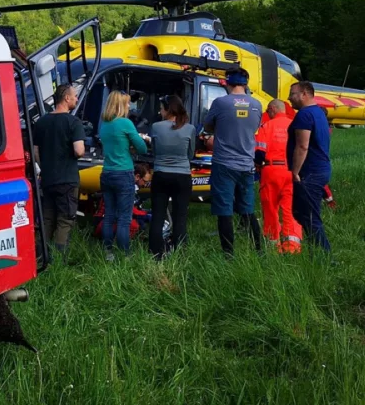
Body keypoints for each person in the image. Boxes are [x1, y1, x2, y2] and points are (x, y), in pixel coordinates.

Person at [201, 69, 264, 257]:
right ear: (246, 83)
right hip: (246, 163)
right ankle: (259, 250)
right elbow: (255, 127)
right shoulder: (257, 104)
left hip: (224, 163)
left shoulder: (221, 103)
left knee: (224, 209)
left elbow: (207, 126)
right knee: (247, 208)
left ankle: (228, 254)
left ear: (227, 83)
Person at [32, 84, 86, 259]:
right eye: (75, 96)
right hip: (67, 179)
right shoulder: (73, 122)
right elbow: (79, 150)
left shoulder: (41, 122)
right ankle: (59, 261)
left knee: (47, 218)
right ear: (67, 98)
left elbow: (35, 152)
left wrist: (47, 165)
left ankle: (41, 256)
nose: (77, 99)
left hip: (48, 179)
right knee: (65, 220)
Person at [98, 89, 148, 261]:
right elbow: (142, 148)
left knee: (109, 215)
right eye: (127, 102)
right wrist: (139, 141)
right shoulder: (126, 124)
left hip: (107, 173)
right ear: (120, 104)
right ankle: (125, 254)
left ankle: (108, 253)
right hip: (123, 172)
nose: (129, 105)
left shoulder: (105, 124)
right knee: (124, 218)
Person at [287, 81, 333, 255]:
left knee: (310, 217)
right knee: (301, 212)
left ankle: (324, 256)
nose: (289, 98)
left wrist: (295, 171)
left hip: (309, 172)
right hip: (320, 169)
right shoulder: (319, 113)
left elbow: (302, 146)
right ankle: (315, 251)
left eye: (292, 94)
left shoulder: (304, 115)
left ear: (304, 93)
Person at [148, 94, 194, 260]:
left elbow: (153, 152)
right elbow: (191, 154)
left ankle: (155, 254)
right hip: (182, 175)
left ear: (168, 109)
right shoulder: (189, 128)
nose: (160, 112)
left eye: (161, 108)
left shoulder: (156, 127)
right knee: (180, 216)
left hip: (161, 174)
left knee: (158, 215)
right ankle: (179, 253)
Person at [255, 99, 302, 254]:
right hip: (291, 170)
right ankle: (292, 246)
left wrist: (258, 167)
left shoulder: (267, 126)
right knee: (290, 208)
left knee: (270, 208)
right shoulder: (295, 126)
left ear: (273, 109)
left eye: (268, 110)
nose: (267, 113)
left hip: (271, 170)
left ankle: (273, 247)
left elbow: (260, 153)